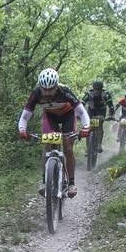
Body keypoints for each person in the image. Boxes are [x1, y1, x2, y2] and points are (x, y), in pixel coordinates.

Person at [18, 67, 90, 198]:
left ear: (56, 86)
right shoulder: (36, 94)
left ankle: (71, 183)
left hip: (68, 115)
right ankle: (45, 182)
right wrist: (22, 130)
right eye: (44, 89)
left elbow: (81, 111)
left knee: (68, 147)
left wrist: (85, 127)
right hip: (50, 117)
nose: (47, 92)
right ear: (40, 87)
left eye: (50, 89)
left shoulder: (65, 91)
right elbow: (25, 116)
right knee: (47, 145)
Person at [82, 79, 112, 152]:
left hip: (101, 111)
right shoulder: (89, 93)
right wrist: (79, 114)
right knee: (89, 128)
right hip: (91, 111)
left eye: (99, 90)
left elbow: (111, 106)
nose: (97, 91)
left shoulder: (106, 94)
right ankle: (87, 147)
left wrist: (111, 115)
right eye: (95, 89)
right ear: (93, 88)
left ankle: (99, 144)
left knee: (99, 124)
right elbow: (81, 104)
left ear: (102, 89)